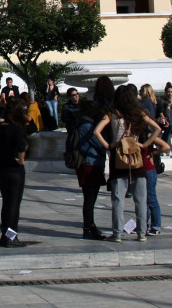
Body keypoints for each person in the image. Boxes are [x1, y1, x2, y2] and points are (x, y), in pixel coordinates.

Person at [93, 85, 163, 242]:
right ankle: (142, 233)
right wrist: (144, 145)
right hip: (136, 158)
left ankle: (117, 233)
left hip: (118, 158)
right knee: (141, 198)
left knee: (118, 198)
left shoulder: (112, 114)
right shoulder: (139, 112)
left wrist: (109, 146)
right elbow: (157, 128)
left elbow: (96, 131)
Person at [0, 103, 28, 247]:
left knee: (6, 203)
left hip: (0, 171)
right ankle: (11, 236)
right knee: (14, 205)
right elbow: (21, 148)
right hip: (14, 170)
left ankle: (4, 234)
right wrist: (21, 161)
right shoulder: (15, 129)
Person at [75, 100, 108, 240]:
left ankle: (91, 225)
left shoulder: (83, 124)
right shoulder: (87, 127)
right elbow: (100, 144)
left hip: (91, 163)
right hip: (90, 163)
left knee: (91, 198)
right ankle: (88, 228)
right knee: (89, 198)